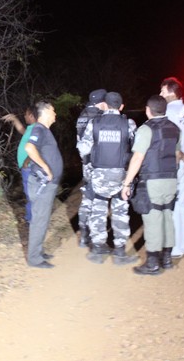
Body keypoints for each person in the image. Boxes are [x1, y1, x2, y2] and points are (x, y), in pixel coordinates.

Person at [122, 95, 181, 275]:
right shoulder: (174, 128)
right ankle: (167, 258)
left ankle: (153, 263)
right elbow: (177, 155)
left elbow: (138, 157)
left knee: (153, 218)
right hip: (171, 179)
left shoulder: (146, 130)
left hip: (153, 180)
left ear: (148, 109)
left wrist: (127, 183)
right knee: (167, 216)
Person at [77, 92, 138, 265]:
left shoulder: (94, 123)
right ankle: (119, 252)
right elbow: (136, 148)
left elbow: (83, 149)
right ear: (121, 106)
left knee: (98, 210)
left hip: (99, 174)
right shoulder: (129, 123)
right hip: (121, 174)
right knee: (120, 211)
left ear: (105, 105)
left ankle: (98, 250)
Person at [160, 77, 184, 258]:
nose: (160, 94)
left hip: (174, 162)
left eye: (163, 91)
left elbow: (168, 140)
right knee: (182, 201)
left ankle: (175, 246)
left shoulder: (167, 112)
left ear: (172, 92)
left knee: (172, 203)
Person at [24, 101, 63, 269]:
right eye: (53, 110)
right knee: (39, 220)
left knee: (42, 218)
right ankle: (34, 259)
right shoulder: (39, 129)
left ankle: (38, 252)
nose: (55, 114)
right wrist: (46, 167)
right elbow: (29, 147)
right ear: (45, 112)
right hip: (42, 184)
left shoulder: (45, 131)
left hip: (47, 184)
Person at [75, 89, 106, 247]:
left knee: (87, 197)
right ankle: (96, 238)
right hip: (97, 163)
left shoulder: (82, 115)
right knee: (98, 199)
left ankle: (83, 234)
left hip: (85, 162)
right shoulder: (99, 117)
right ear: (101, 102)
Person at [1, 107, 37, 222]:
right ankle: (29, 217)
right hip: (26, 167)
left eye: (26, 114)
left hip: (29, 166)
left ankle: (32, 220)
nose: (25, 116)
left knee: (31, 193)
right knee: (29, 193)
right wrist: (14, 119)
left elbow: (36, 147)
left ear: (31, 115)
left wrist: (26, 162)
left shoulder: (36, 129)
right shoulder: (31, 128)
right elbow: (22, 130)